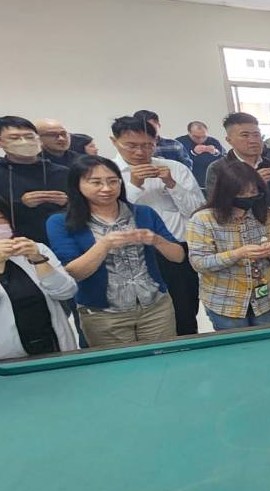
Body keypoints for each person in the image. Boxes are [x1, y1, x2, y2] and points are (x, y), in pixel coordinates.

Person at [47, 156, 185, 347]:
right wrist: (104, 244)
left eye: (113, 181)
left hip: (155, 307)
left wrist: (156, 240)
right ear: (77, 185)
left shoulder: (143, 213)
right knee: (119, 363)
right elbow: (74, 272)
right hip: (104, 315)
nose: (106, 188)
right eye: (96, 182)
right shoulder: (60, 222)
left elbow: (178, 256)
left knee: (162, 358)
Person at [110, 115, 204, 336]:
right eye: (131, 145)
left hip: (176, 251)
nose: (140, 152)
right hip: (131, 255)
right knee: (143, 318)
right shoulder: (109, 173)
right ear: (114, 142)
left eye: (147, 145)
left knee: (185, 312)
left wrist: (171, 183)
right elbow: (112, 214)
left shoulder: (175, 168)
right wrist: (134, 185)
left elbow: (196, 210)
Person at [207, 112, 270, 322]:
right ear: (229, 139)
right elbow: (216, 209)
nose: (253, 140)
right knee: (244, 314)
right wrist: (250, 183)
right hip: (238, 254)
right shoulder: (219, 169)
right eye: (245, 135)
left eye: (256, 134)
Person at [186, 160, 270, 329]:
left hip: (266, 298)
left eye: (254, 192)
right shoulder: (203, 219)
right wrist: (238, 254)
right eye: (242, 193)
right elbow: (199, 262)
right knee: (236, 343)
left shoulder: (267, 213)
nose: (249, 198)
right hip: (225, 302)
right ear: (226, 193)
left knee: (267, 341)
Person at [0, 199, 78, 359]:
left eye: (1, 218)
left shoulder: (36, 248)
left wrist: (38, 259)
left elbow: (66, 292)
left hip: (53, 347)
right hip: (7, 359)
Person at [0, 116, 69, 245]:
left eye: (29, 137)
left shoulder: (62, 172)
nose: (24, 142)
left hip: (60, 242)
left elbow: (86, 208)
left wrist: (67, 203)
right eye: (14, 138)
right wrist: (20, 203)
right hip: (13, 245)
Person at [176, 121, 225, 189]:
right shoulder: (180, 142)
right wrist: (194, 153)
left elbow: (224, 160)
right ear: (189, 133)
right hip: (188, 184)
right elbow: (177, 163)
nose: (201, 140)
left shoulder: (214, 141)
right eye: (196, 137)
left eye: (204, 136)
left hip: (212, 183)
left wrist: (216, 152)